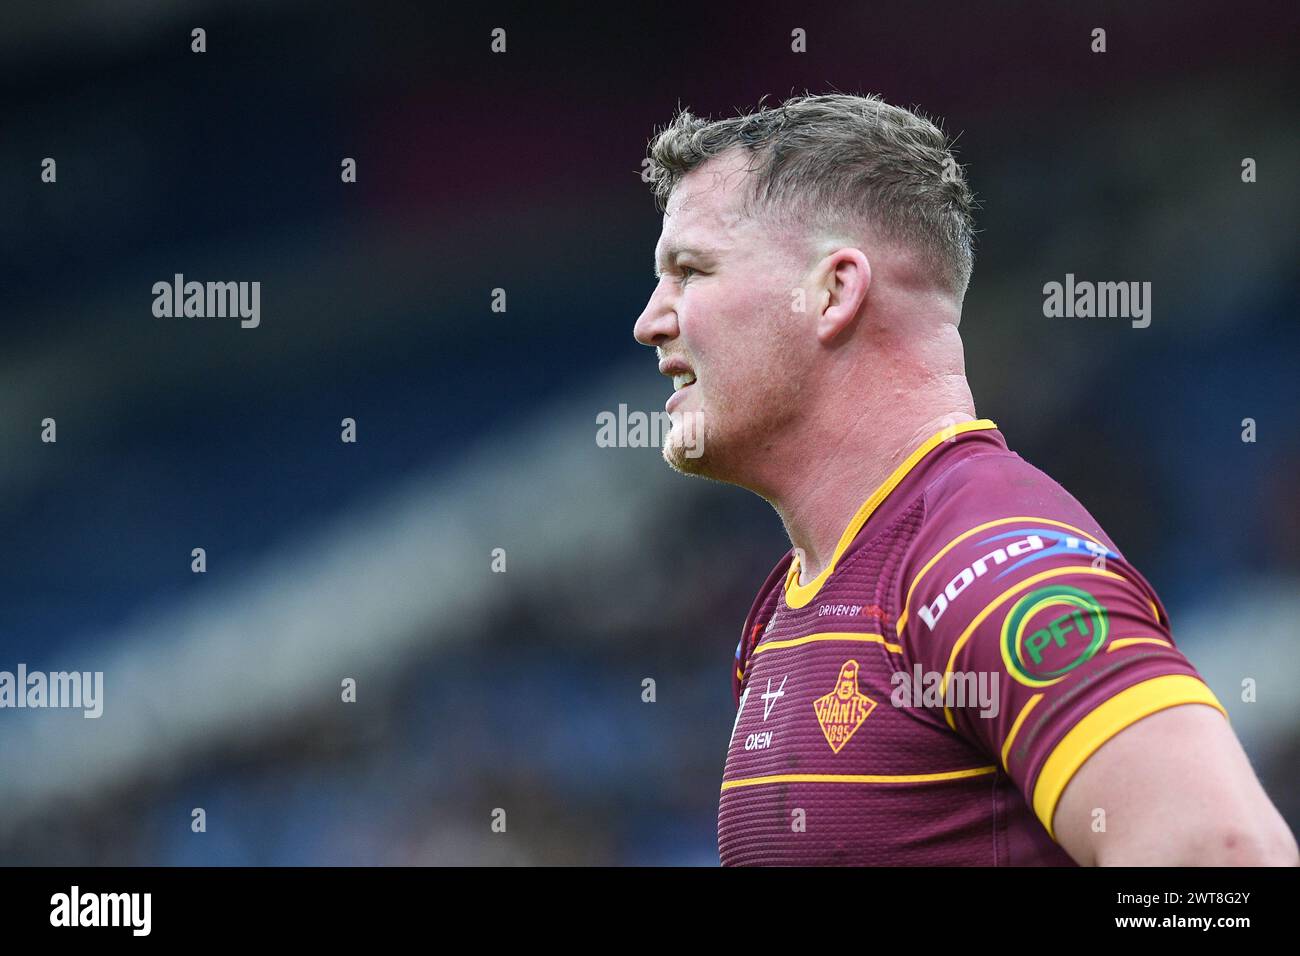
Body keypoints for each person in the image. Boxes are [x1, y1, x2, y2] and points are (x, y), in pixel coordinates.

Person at [632, 92, 1297, 866]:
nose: (651, 319)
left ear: (834, 292)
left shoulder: (983, 557)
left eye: (690, 271)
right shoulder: (790, 604)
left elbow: (1223, 859)